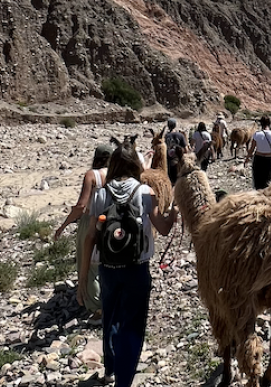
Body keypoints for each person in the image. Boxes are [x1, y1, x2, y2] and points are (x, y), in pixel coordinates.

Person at [77, 147, 179, 387]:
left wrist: (82, 281)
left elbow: (90, 237)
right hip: (137, 268)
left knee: (110, 319)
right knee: (132, 326)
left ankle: (110, 369)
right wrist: (173, 214)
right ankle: (124, 380)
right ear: (136, 165)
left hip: (108, 268)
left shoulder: (100, 194)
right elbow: (163, 229)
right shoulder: (146, 192)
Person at [53, 143, 114, 317]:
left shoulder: (92, 175)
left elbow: (81, 205)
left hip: (91, 220)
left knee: (89, 262)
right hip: (113, 220)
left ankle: (94, 304)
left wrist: (63, 225)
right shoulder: (117, 175)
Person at [244, 115, 271, 190]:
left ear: (261, 124)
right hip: (268, 160)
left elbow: (251, 149)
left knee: (257, 182)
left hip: (258, 159)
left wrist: (247, 159)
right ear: (269, 124)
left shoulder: (257, 134)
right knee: (267, 181)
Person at [163, 117, 187, 184]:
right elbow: (186, 150)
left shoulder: (165, 136)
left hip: (168, 162)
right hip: (178, 162)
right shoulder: (180, 135)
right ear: (175, 125)